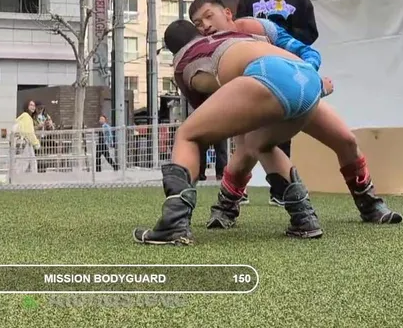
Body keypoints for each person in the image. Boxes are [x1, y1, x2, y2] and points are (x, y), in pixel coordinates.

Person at [189, 0, 401, 227]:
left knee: (346, 140)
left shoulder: (258, 28)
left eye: (209, 16)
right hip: (253, 103)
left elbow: (309, 53)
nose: (205, 25)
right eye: (198, 24)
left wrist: (309, 81)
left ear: (227, 13)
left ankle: (370, 204)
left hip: (294, 92)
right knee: (249, 149)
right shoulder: (205, 50)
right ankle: (226, 208)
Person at [133, 18, 334, 246]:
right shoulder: (232, 36)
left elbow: (206, 123)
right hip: (309, 79)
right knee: (260, 144)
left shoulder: (183, 61)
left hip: (268, 74)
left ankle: (174, 225)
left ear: (173, 51)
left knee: (187, 135)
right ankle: (305, 219)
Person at [233, 0, 319, 177]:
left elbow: (311, 33)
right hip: (257, 63)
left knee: (283, 120)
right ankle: (241, 179)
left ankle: (282, 181)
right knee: (247, 121)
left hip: (287, 64)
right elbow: (239, 30)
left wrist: (284, 38)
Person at [13, 100, 41, 174]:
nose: (33, 107)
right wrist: (36, 143)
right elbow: (29, 132)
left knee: (27, 161)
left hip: (22, 142)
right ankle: (21, 177)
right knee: (26, 162)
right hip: (26, 143)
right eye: (31, 105)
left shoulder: (23, 116)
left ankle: (29, 176)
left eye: (34, 105)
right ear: (27, 106)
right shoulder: (26, 116)